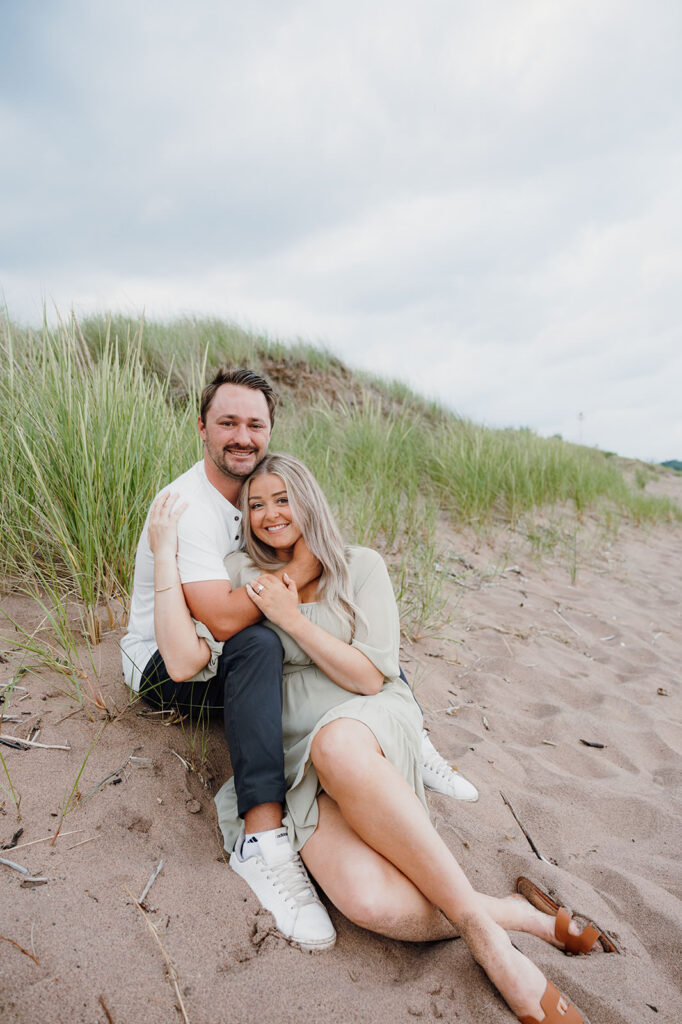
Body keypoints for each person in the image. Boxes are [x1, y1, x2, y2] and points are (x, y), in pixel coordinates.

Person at [148, 453, 602, 1024]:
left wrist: (291, 618)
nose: (268, 514)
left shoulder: (360, 566)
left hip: (367, 725)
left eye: (282, 499)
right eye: (255, 504)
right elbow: (187, 657)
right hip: (293, 759)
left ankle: (493, 950)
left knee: (336, 743)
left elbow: (367, 676)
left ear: (308, 501)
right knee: (365, 902)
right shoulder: (241, 573)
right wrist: (165, 553)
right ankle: (512, 914)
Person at [121, 366, 477, 952]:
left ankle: (410, 732)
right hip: (168, 664)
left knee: (351, 610)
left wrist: (327, 562)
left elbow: (291, 544)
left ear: (269, 431)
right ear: (202, 429)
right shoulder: (186, 506)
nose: (242, 435)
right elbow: (228, 621)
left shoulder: (251, 491)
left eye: (254, 424)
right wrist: (306, 566)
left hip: (225, 637)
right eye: (227, 422)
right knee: (265, 644)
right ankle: (263, 836)